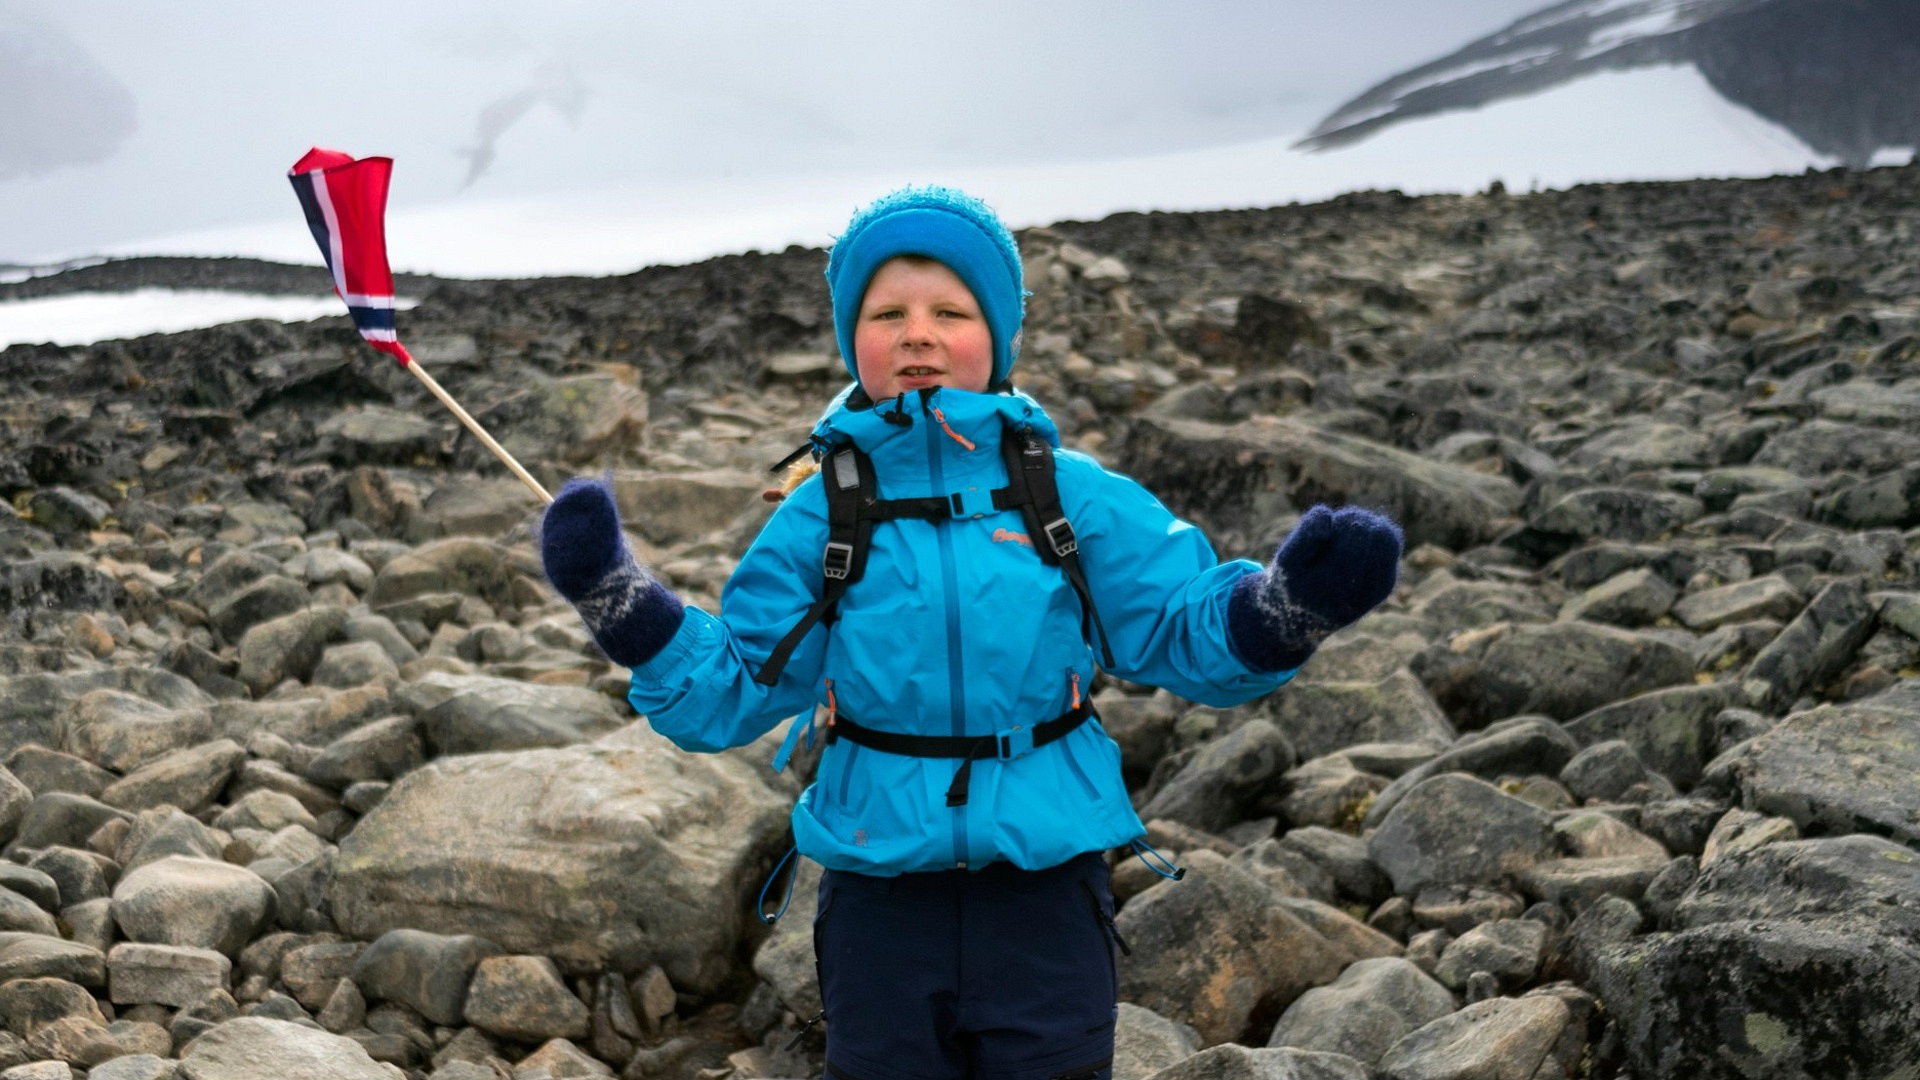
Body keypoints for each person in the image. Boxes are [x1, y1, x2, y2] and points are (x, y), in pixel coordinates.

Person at [538, 186, 1402, 1080]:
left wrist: (1284, 610)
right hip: (879, 891)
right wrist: (623, 605)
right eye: (888, 313)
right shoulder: (817, 516)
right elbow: (733, 688)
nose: (920, 332)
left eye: (951, 310)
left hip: (1047, 883)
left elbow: (1177, 632)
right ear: (852, 340)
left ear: (998, 337)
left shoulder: (1069, 494)